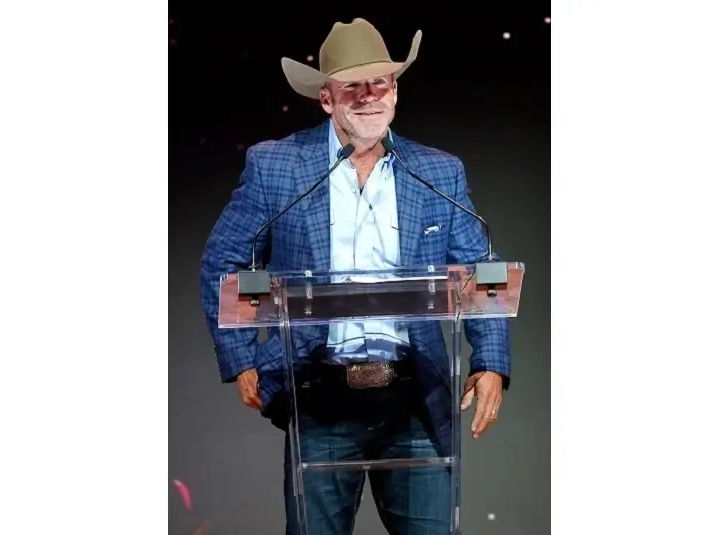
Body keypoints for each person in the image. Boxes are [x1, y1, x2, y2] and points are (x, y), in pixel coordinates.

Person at [200, 18, 511, 535]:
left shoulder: (438, 171)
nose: (369, 96)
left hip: (415, 397)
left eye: (380, 83)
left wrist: (491, 362)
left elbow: (484, 272)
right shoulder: (277, 166)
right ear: (327, 99)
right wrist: (240, 357)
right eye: (352, 87)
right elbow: (223, 261)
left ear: (395, 91)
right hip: (318, 396)